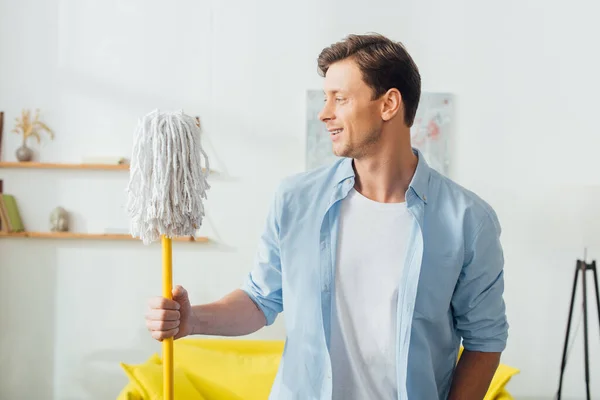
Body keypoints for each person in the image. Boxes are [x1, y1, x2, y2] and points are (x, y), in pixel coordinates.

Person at [145, 33, 508, 400]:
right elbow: (260, 300)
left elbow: (485, 341)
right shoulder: (295, 200)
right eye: (325, 98)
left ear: (389, 104)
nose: (325, 113)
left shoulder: (469, 221)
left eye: (341, 98)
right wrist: (192, 320)